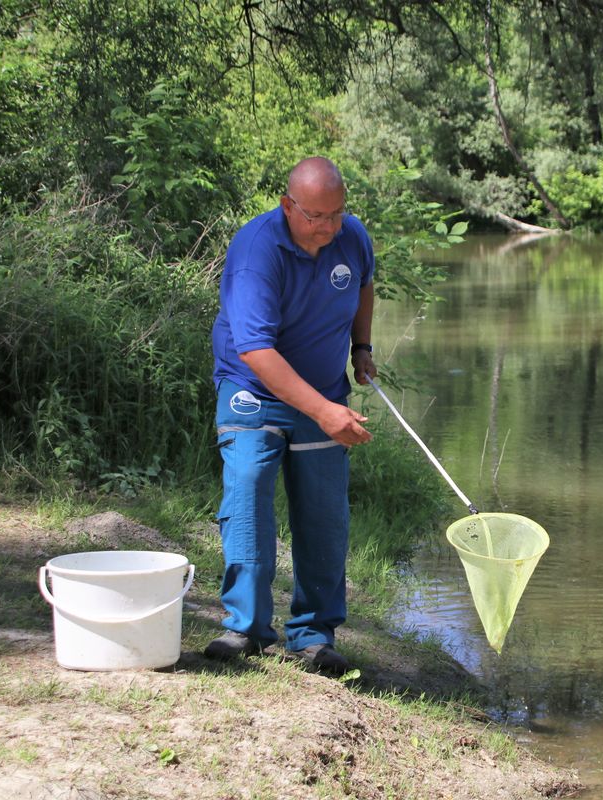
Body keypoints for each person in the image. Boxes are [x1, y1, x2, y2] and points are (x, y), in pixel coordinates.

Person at [205, 157, 376, 674]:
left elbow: (364, 284)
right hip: (253, 390)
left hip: (323, 388)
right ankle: (246, 629)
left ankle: (312, 635)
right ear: (288, 205)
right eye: (315, 217)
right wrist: (325, 411)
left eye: (337, 215)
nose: (328, 227)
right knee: (250, 490)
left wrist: (361, 346)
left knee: (324, 513)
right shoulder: (256, 251)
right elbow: (257, 351)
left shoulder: (352, 237)